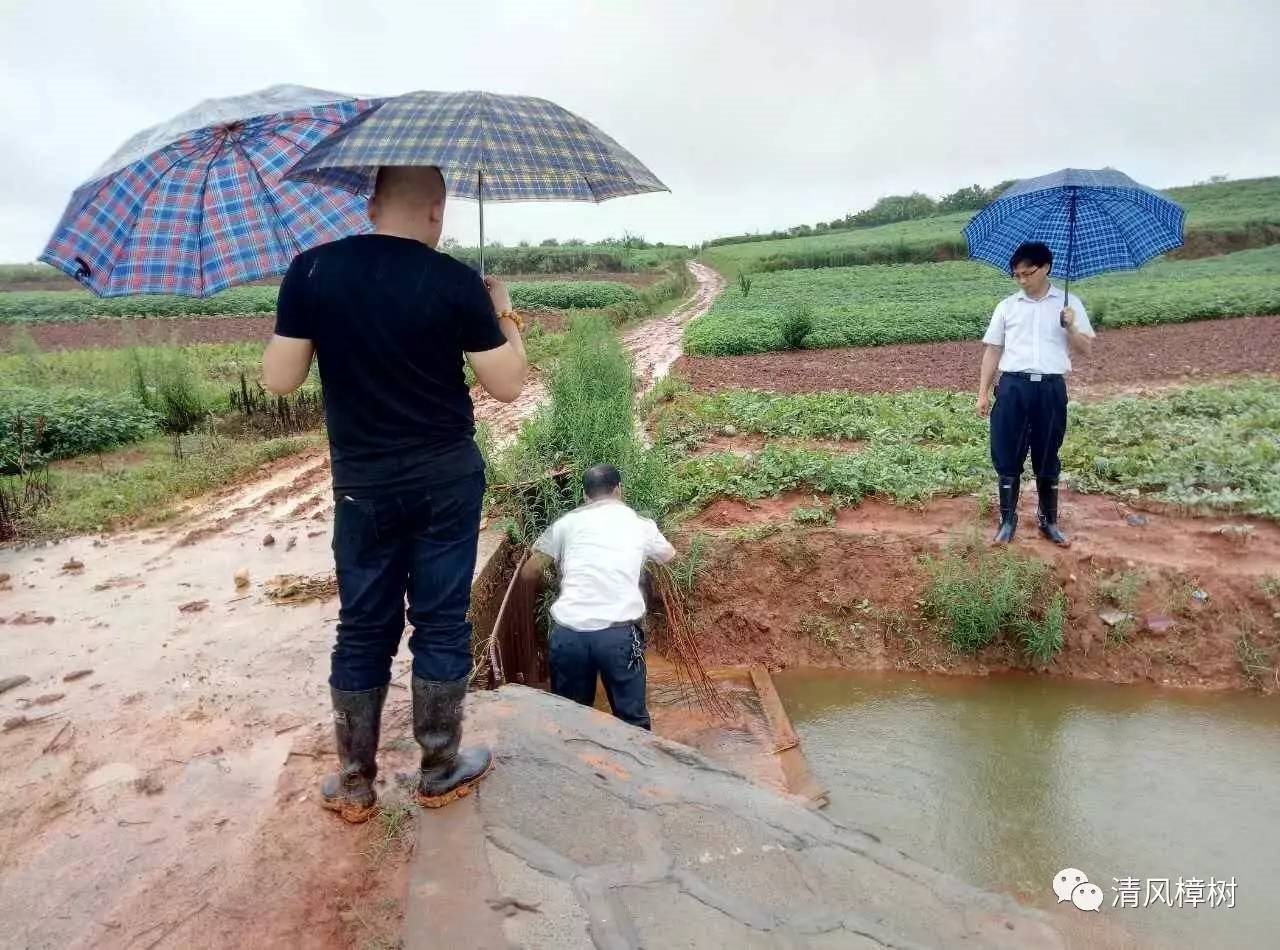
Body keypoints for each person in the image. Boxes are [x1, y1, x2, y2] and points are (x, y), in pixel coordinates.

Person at [262, 165, 528, 823]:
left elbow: (279, 380)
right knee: (440, 621)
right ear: (438, 210)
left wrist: (306, 317)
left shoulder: (312, 271)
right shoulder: (456, 282)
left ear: (373, 203)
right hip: (445, 480)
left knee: (362, 627)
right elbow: (509, 386)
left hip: (364, 487)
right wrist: (503, 313)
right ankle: (439, 769)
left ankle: (354, 784)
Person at [519, 464, 676, 730]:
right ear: (619, 490)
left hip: (569, 636)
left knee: (570, 722)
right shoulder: (640, 525)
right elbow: (670, 557)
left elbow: (528, 572)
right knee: (632, 724)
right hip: (618, 637)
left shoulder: (566, 524)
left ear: (585, 495)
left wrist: (556, 582)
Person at [977, 241, 1095, 547]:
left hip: (1051, 389)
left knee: (1047, 454)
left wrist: (1070, 328)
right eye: (1016, 274)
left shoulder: (1069, 304)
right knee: (1006, 454)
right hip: (1013, 387)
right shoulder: (1007, 306)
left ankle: (1048, 521)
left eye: (1027, 273)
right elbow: (993, 350)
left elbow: (1086, 349)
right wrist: (982, 393)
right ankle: (1007, 521)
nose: (1021, 280)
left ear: (1045, 268)